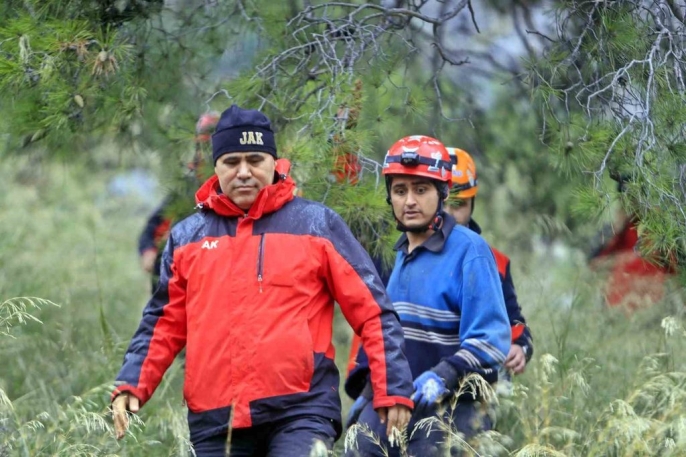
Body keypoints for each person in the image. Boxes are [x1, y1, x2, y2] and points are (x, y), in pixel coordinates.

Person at [112, 105, 414, 457]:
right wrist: (133, 383)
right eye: (231, 162)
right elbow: (162, 323)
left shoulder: (317, 225)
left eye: (255, 160)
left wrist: (392, 386)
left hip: (302, 411)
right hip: (214, 419)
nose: (244, 172)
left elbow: (373, 310)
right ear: (216, 167)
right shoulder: (186, 238)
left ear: (274, 162)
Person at [345, 135, 510, 457]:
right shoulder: (394, 254)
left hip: (456, 407)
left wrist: (443, 375)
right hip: (396, 402)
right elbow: (385, 334)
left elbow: (490, 341)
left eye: (421, 190)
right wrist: (369, 391)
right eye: (400, 191)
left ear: (442, 193)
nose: (409, 201)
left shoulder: (470, 251)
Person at [443, 147, 533, 377]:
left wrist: (520, 347)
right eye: (443, 203)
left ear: (472, 203)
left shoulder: (496, 263)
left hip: (473, 382)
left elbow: (513, 321)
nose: (449, 214)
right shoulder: (403, 254)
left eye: (459, 204)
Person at [138, 112, 220, 291]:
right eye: (204, 146)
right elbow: (152, 229)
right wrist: (149, 251)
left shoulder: (237, 191)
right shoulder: (185, 191)